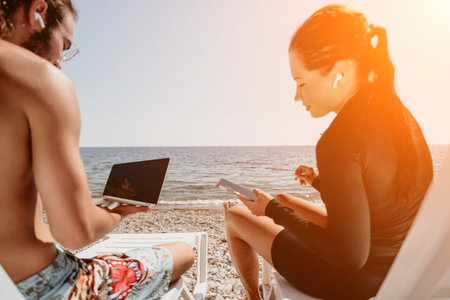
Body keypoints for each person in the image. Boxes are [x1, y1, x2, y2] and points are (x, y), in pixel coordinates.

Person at [223, 4, 433, 300]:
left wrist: (270, 210)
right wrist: (322, 182)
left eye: (301, 83)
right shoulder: (399, 115)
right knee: (284, 200)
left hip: (352, 280)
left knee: (235, 219)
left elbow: (349, 257)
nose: (297, 96)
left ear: (339, 72)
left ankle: (253, 297)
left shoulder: (339, 141)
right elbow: (384, 196)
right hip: (397, 264)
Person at [0, 1, 194, 299]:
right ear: (36, 10)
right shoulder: (39, 80)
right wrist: (119, 213)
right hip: (44, 287)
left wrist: (84, 202)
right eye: (63, 45)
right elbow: (75, 232)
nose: (60, 61)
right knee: (182, 252)